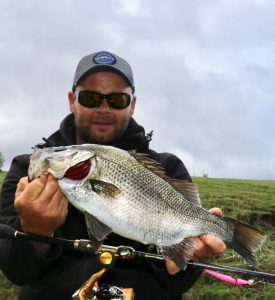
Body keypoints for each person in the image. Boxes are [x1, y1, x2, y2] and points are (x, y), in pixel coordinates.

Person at [0, 51, 226, 300]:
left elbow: (178, 281)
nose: (104, 108)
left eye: (117, 99)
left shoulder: (168, 168)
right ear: (72, 101)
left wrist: (190, 256)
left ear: (133, 104)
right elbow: (16, 272)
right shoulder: (27, 170)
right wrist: (35, 231)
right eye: (90, 97)